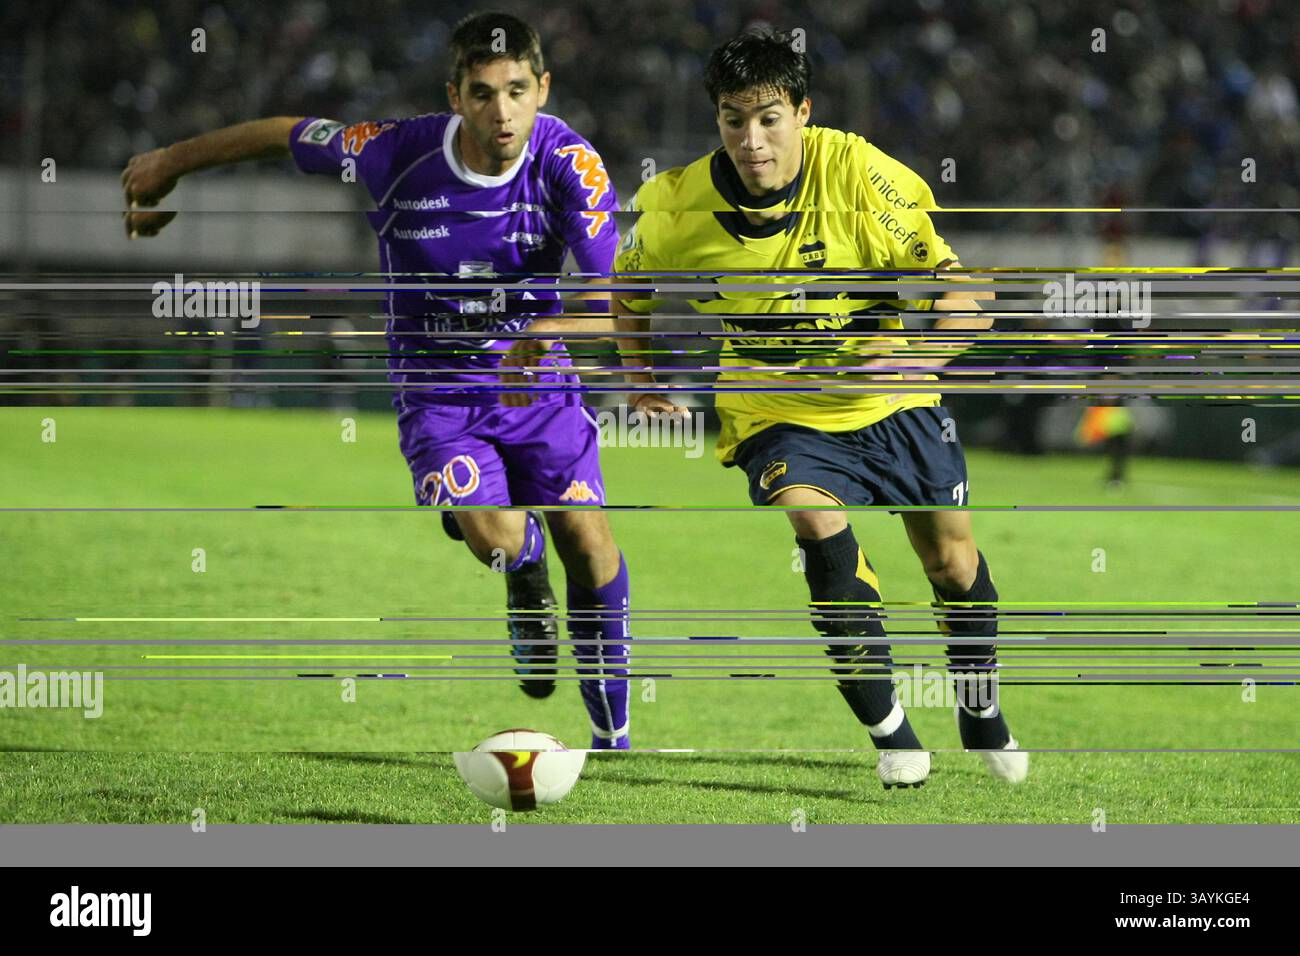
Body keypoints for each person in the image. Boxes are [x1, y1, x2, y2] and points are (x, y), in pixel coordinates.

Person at [121, 11, 633, 749]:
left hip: (539, 388)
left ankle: (613, 734)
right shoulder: (396, 153)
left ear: (543, 87)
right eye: (484, 93)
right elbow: (285, 133)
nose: (503, 112)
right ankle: (522, 571)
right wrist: (171, 160)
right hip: (439, 397)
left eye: (518, 91)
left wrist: (550, 331)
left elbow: (614, 300)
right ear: (454, 94)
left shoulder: (569, 164)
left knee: (587, 541)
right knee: (497, 535)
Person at [614, 27, 1028, 786]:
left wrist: (921, 358)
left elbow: (970, 294)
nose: (752, 138)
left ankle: (980, 708)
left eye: (769, 117)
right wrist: (638, 375)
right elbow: (625, 293)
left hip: (893, 399)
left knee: (951, 563)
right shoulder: (677, 206)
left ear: (803, 112)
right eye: (733, 119)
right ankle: (892, 730)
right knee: (816, 525)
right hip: (777, 411)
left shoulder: (862, 174)